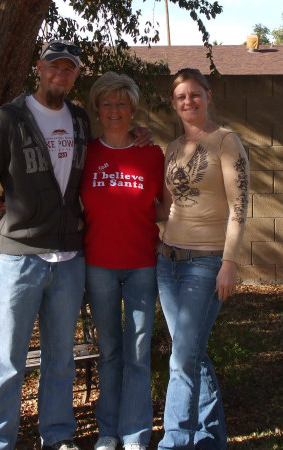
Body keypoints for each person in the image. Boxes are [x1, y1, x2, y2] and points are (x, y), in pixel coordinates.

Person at [0, 40, 153, 450]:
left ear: (75, 76)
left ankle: (56, 436)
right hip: (20, 256)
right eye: (54, 66)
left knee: (60, 359)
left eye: (69, 69)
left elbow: (113, 143)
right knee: (7, 358)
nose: (60, 74)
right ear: (40, 67)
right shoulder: (10, 117)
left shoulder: (78, 119)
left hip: (69, 259)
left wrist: (142, 132)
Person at [155, 68, 249, 450]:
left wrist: (229, 262)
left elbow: (241, 206)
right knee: (189, 352)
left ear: (208, 96)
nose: (188, 102)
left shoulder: (227, 141)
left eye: (195, 94)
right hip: (168, 261)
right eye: (181, 97)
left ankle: (174, 443)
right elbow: (164, 207)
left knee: (182, 358)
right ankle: (211, 439)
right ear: (174, 104)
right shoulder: (173, 148)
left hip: (206, 263)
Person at [80, 72, 165, 450]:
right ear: (97, 110)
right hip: (98, 265)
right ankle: (108, 432)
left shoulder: (152, 153)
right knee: (110, 351)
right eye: (107, 103)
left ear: (132, 108)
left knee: (138, 351)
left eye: (122, 103)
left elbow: (166, 207)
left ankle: (134, 434)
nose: (115, 110)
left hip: (142, 265)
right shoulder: (87, 153)